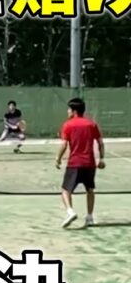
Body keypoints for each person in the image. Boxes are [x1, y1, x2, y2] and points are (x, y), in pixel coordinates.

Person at [56, 98, 105, 228]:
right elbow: (100, 143)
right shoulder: (92, 124)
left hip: (74, 164)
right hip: (90, 164)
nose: (67, 111)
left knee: (65, 190)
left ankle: (70, 212)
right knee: (90, 190)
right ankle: (89, 217)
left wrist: (58, 159)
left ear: (74, 111)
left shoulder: (68, 125)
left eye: (69, 109)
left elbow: (64, 145)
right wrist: (101, 159)